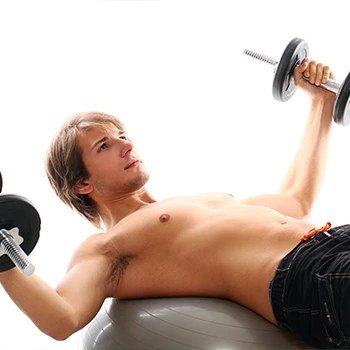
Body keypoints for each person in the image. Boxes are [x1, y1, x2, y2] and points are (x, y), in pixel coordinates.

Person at [0, 57, 344, 349]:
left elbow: (297, 198)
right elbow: (62, 318)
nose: (126, 146)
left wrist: (321, 102)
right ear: (81, 183)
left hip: (335, 241)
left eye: (122, 136)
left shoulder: (201, 202)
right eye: (103, 145)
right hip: (309, 277)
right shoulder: (107, 246)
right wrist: (5, 259)